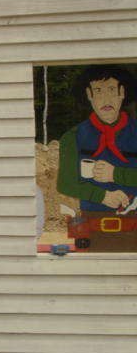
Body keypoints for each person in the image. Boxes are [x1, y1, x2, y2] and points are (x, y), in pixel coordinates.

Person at [57, 65, 137, 251]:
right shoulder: (72, 137)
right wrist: (102, 196)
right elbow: (65, 184)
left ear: (122, 93)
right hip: (93, 225)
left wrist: (117, 174)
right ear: (89, 95)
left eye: (111, 90)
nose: (106, 98)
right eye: (98, 91)